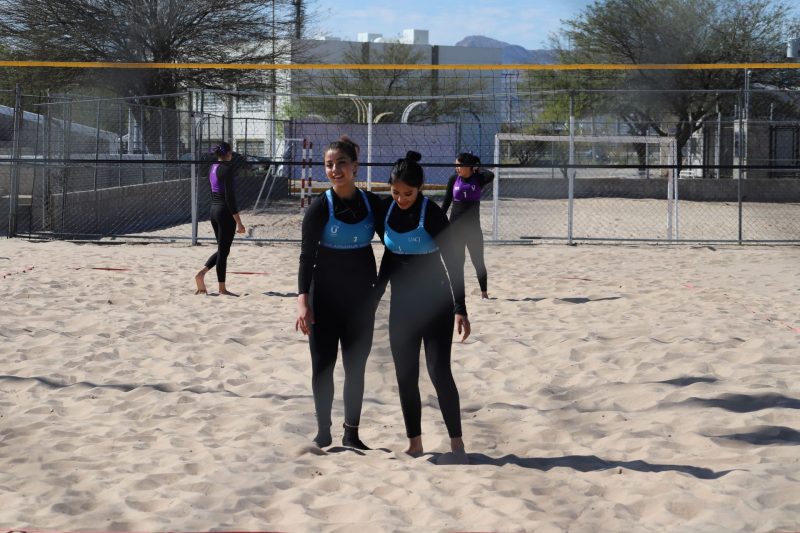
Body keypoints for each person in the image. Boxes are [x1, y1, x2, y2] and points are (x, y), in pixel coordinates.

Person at [376, 150, 471, 464]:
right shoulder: (387, 210)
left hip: (436, 304)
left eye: (408, 193)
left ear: (420, 188)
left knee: (438, 371)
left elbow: (453, 262)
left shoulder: (431, 214)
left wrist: (460, 308)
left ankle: (457, 445)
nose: (401, 199)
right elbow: (390, 259)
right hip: (402, 307)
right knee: (405, 376)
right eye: (395, 192)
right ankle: (414, 444)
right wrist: (373, 299)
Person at [295, 135, 384, 450]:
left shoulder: (372, 203)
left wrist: (380, 290)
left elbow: (395, 243)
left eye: (341, 163)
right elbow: (306, 257)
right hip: (324, 300)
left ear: (355, 167)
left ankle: (352, 434)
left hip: (361, 301)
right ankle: (323, 432)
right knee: (323, 367)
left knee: (355, 369)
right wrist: (302, 302)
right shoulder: (320, 208)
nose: (335, 170)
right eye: (329, 164)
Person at [440, 152, 494, 299]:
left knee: (478, 262)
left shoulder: (479, 179)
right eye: (455, 165)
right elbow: (446, 203)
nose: (456, 168)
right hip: (455, 229)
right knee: (458, 262)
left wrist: (476, 167)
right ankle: (458, 294)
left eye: (459, 165)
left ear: (468, 166)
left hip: (473, 230)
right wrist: (438, 220)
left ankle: (484, 293)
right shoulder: (453, 179)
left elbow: (491, 175)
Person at [195, 142, 246, 296]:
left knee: (222, 250)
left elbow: (213, 192)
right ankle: (221, 288)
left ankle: (202, 274)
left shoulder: (213, 167)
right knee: (223, 252)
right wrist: (239, 222)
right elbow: (230, 198)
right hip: (224, 213)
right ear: (228, 153)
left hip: (214, 211)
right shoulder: (227, 169)